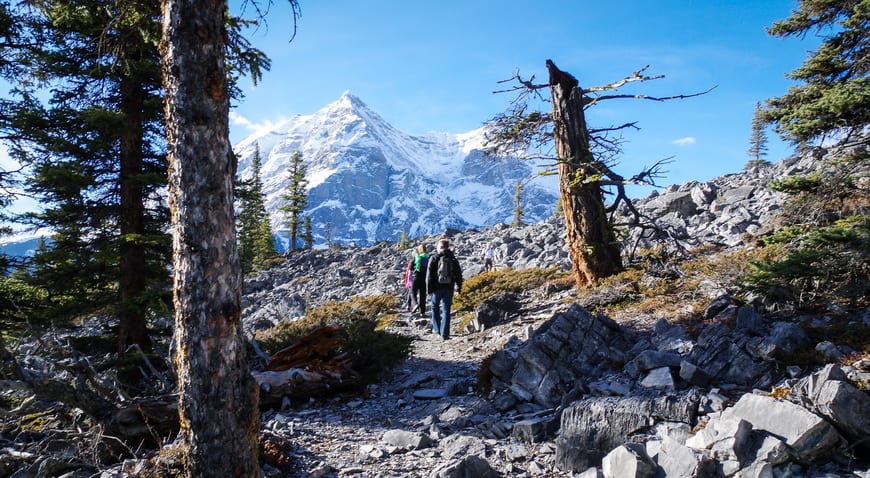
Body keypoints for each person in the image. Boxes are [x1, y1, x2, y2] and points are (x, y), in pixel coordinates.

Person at [426, 237, 463, 340]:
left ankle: (437, 329)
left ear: (439, 247)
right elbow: (458, 274)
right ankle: (445, 333)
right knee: (446, 309)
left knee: (434, 307)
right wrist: (458, 288)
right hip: (449, 287)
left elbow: (429, 275)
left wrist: (429, 289)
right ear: (447, 247)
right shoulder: (452, 258)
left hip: (436, 288)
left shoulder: (434, 258)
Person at [411, 244, 429, 316]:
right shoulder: (428, 257)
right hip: (424, 278)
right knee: (423, 295)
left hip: (416, 276)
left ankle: (415, 304)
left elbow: (411, 267)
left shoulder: (417, 257)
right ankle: (422, 312)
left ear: (419, 250)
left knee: (413, 291)